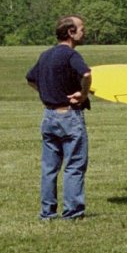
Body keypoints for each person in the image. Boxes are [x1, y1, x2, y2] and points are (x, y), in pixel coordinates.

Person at [25, 15, 91, 220]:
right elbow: (87, 74)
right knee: (74, 166)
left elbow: (30, 78)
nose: (84, 32)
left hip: (48, 115)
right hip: (69, 116)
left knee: (49, 168)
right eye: (81, 28)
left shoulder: (45, 55)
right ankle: (72, 212)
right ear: (71, 32)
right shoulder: (70, 55)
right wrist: (83, 93)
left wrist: (47, 93)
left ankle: (47, 212)